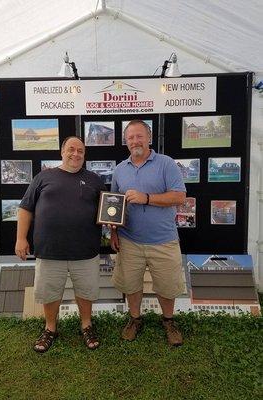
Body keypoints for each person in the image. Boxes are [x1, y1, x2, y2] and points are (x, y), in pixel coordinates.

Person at [15, 136, 106, 352]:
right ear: (61, 152)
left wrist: (113, 228)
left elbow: (108, 211)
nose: (76, 154)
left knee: (86, 291)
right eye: (71, 149)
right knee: (49, 292)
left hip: (85, 251)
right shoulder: (43, 177)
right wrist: (21, 238)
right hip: (49, 250)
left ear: (84, 155)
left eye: (80, 151)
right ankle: (50, 328)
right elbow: (25, 208)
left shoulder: (95, 180)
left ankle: (86, 325)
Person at [110, 120, 186, 346]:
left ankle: (169, 321)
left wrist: (147, 198)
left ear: (149, 138)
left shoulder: (166, 163)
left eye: (139, 136)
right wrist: (113, 232)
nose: (135, 141)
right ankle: (135, 319)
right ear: (126, 142)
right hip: (129, 240)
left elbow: (180, 197)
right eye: (131, 137)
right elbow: (113, 206)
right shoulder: (120, 169)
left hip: (163, 240)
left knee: (166, 285)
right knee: (131, 284)